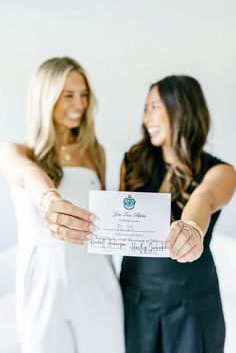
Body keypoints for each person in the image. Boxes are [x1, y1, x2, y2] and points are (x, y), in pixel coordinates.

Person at [0, 56, 125, 353]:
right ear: (45, 97)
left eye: (84, 95)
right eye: (68, 95)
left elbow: (106, 216)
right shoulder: (17, 151)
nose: (79, 104)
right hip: (42, 276)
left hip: (95, 271)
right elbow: (30, 175)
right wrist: (49, 199)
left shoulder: (96, 153)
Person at [119, 75, 236, 353]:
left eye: (155, 107)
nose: (147, 117)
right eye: (146, 108)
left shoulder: (220, 172)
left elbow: (204, 198)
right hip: (136, 298)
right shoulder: (133, 163)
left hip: (192, 304)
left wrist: (191, 229)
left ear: (181, 109)